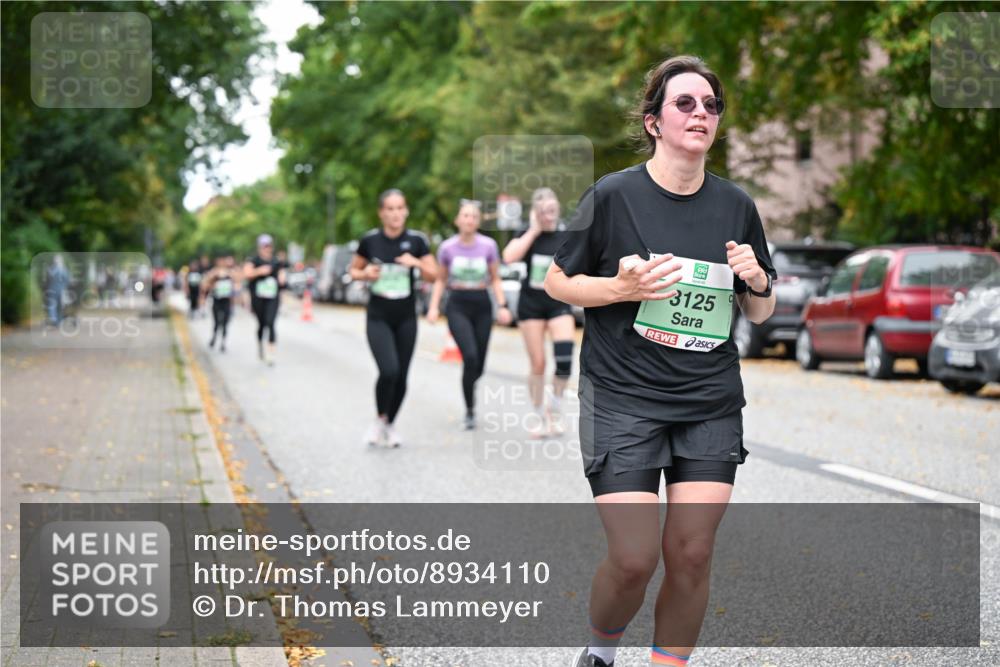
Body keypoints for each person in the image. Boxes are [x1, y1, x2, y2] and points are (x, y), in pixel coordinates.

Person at [543, 55, 777, 667]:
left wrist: (756, 280)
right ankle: (599, 653)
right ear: (654, 122)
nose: (701, 114)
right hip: (622, 399)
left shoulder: (736, 205)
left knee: (692, 553)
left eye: (711, 106)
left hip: (708, 402)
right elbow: (556, 281)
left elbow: (759, 312)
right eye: (685, 103)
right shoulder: (612, 196)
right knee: (634, 559)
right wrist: (620, 288)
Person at [349, 189, 437, 447]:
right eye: (390, 208)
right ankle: (379, 419)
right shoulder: (370, 241)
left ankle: (390, 424)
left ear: (406, 211)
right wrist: (366, 274)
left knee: (402, 376)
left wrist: (416, 263)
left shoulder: (417, 241)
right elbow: (353, 271)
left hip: (406, 318)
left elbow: (434, 275)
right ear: (381, 213)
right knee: (389, 370)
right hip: (378, 316)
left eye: (400, 208)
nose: (395, 214)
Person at [427, 200, 512, 430]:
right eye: (465, 215)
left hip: (482, 304)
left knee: (479, 366)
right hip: (457, 304)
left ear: (478, 221)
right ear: (457, 220)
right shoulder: (447, 248)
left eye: (474, 216)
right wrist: (433, 307)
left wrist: (503, 305)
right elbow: (441, 280)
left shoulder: (488, 246)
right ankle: (470, 410)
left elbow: (495, 278)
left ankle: (469, 383)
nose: (469, 220)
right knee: (470, 356)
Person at [501, 187, 576, 437]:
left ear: (557, 208)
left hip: (558, 303)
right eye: (543, 211)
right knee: (538, 364)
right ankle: (538, 415)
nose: (548, 215)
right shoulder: (527, 232)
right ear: (535, 212)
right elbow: (508, 257)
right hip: (531, 304)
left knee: (564, 360)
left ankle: (555, 407)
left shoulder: (567, 233)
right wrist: (533, 231)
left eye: (552, 210)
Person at [243, 234, 286, 365]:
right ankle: (260, 346)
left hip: (272, 297)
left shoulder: (276, 261)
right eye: (264, 246)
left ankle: (271, 354)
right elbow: (247, 273)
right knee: (262, 324)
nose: (267, 249)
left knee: (271, 323)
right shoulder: (253, 260)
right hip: (258, 298)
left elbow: (282, 275)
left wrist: (282, 278)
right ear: (259, 247)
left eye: (269, 246)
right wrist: (259, 271)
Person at [201, 255, 235, 352]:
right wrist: (214, 278)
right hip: (217, 300)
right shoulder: (213, 272)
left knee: (225, 322)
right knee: (216, 322)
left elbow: (238, 281)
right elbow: (204, 285)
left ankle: (223, 342)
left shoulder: (230, 273)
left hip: (227, 301)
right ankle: (214, 337)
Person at [43, 254, 70, 326]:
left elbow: (47, 280)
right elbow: (67, 280)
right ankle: (57, 321)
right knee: (59, 306)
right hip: (60, 290)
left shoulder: (50, 269)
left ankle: (54, 319)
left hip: (52, 289)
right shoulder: (63, 270)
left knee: (53, 305)